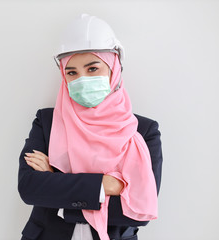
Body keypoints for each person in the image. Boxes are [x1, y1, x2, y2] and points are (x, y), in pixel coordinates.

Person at [18, 14, 163, 240]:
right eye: (72, 72)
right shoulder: (47, 122)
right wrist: (104, 186)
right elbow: (29, 188)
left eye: (93, 68)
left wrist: (57, 192)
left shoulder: (143, 131)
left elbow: (139, 213)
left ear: (114, 69)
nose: (82, 79)